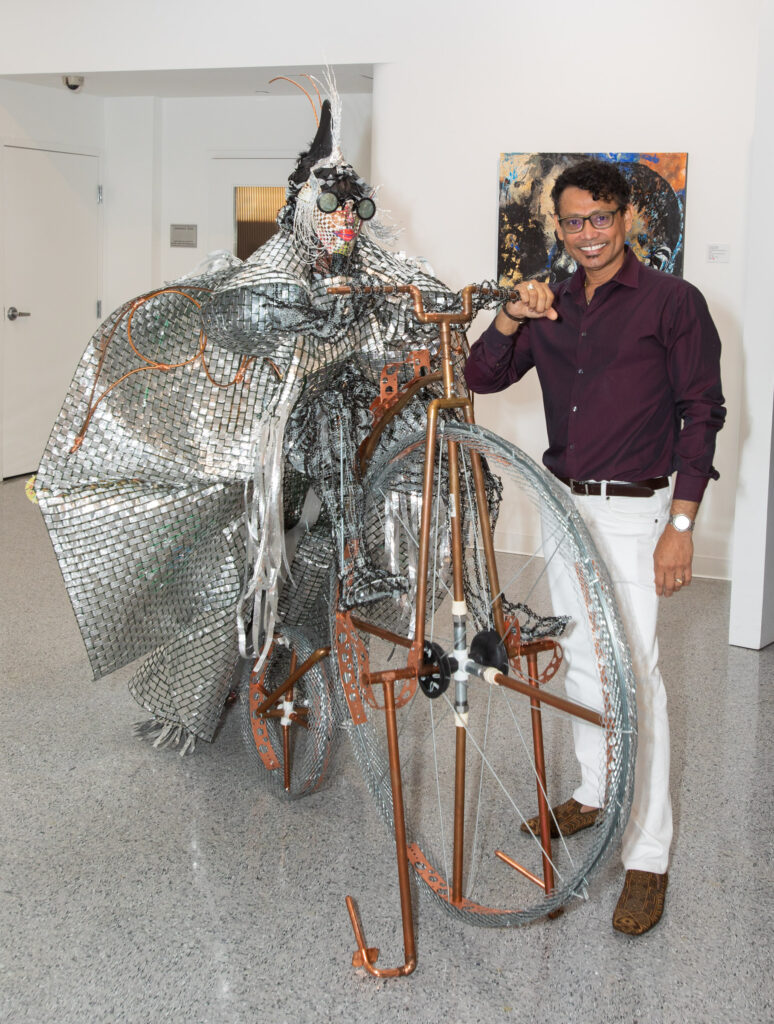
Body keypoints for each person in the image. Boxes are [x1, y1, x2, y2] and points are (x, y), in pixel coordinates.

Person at [465, 158, 725, 935]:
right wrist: (510, 315)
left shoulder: (673, 302)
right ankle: (594, 792)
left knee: (636, 678)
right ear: (560, 225)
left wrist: (682, 527)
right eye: (574, 222)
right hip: (562, 505)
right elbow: (481, 374)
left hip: (637, 513)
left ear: (627, 219)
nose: (588, 235)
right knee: (581, 658)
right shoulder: (549, 303)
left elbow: (702, 412)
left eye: (601, 219)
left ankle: (648, 856)